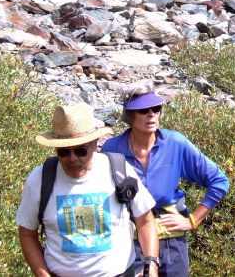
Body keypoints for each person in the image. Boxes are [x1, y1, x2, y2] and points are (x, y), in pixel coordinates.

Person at [16, 102, 161, 277]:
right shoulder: (40, 178)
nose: (72, 159)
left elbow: (145, 220)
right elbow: (27, 234)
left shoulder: (118, 169)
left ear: (94, 144)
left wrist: (151, 266)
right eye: (63, 152)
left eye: (80, 151)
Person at [101, 81, 230, 277]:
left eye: (156, 108)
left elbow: (219, 181)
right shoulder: (112, 149)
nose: (152, 114)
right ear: (130, 115)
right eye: (144, 110)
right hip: (128, 239)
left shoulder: (175, 142)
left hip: (170, 237)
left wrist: (193, 221)